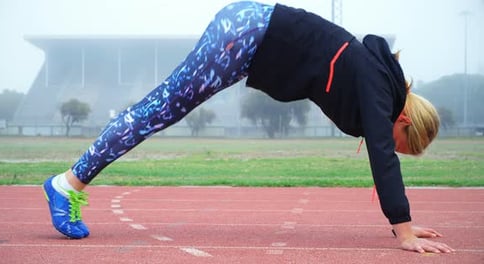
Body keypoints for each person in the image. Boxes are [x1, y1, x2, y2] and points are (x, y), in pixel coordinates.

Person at [43, 1, 454, 254]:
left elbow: (380, 147)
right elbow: (382, 156)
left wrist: (402, 222)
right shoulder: (380, 90)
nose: (390, 145)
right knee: (159, 109)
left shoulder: (377, 82)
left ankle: (70, 183)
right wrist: (403, 230)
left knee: (160, 108)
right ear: (404, 121)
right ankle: (68, 184)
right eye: (403, 144)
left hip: (248, 32)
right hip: (246, 34)